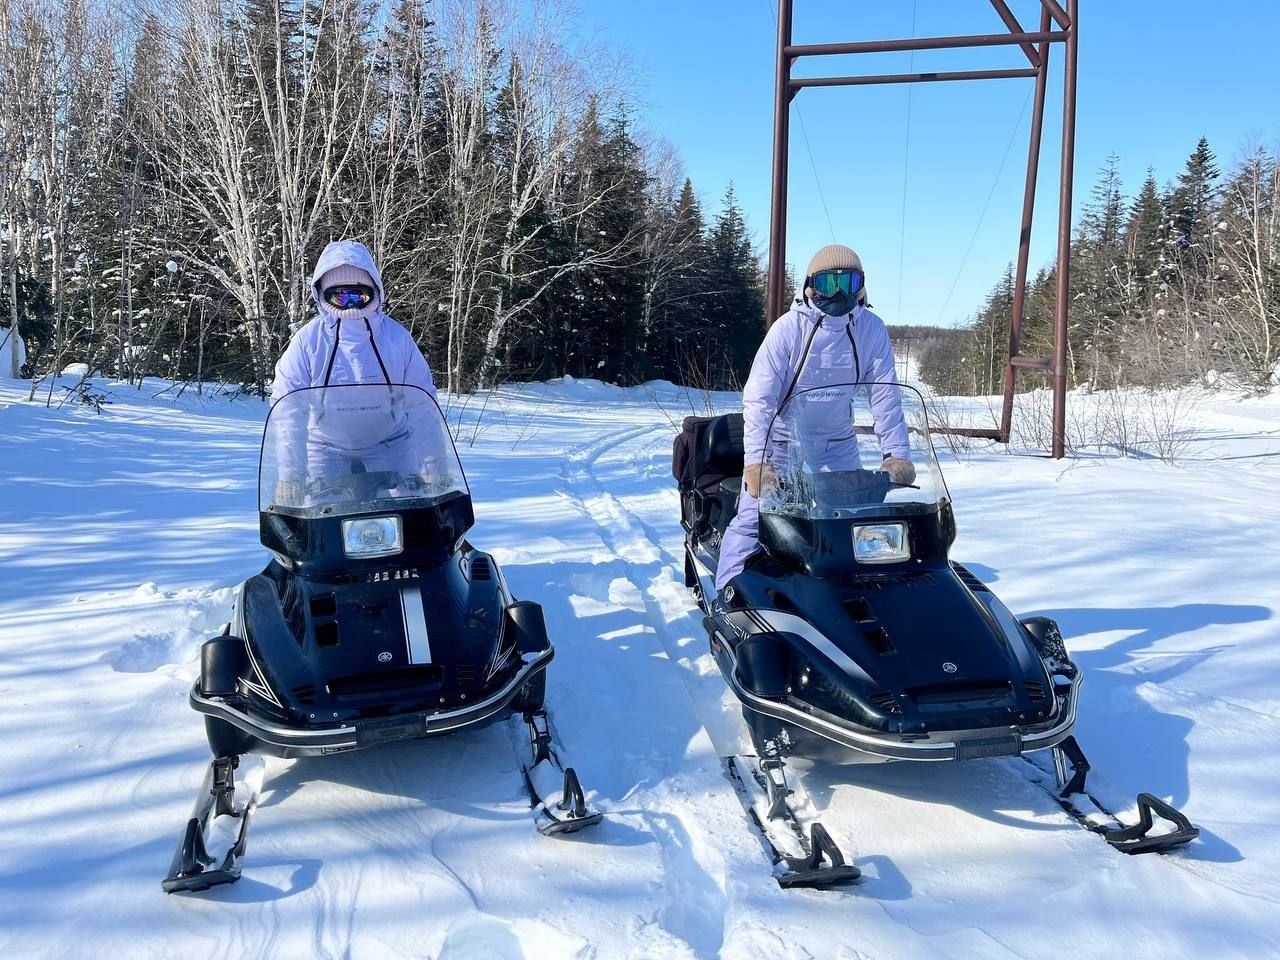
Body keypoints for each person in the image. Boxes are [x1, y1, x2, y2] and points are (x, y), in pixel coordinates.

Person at [715, 244, 914, 591]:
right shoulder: (787, 330)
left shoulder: (871, 329)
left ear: (862, 287)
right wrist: (758, 464)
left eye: (848, 282)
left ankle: (847, 594)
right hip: (780, 440)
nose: (838, 292)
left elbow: (885, 396)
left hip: (836, 440)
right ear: (809, 286)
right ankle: (728, 592)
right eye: (828, 282)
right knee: (754, 517)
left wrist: (896, 454)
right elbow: (759, 401)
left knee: (851, 516)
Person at [269, 240, 441, 506]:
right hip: (324, 447)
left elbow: (423, 405)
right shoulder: (307, 342)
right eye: (340, 296)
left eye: (358, 296)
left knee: (417, 517)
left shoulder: (397, 339)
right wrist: (290, 476)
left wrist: (434, 467)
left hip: (390, 442)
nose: (350, 306)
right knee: (316, 522)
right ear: (322, 296)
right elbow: (288, 410)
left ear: (375, 292)